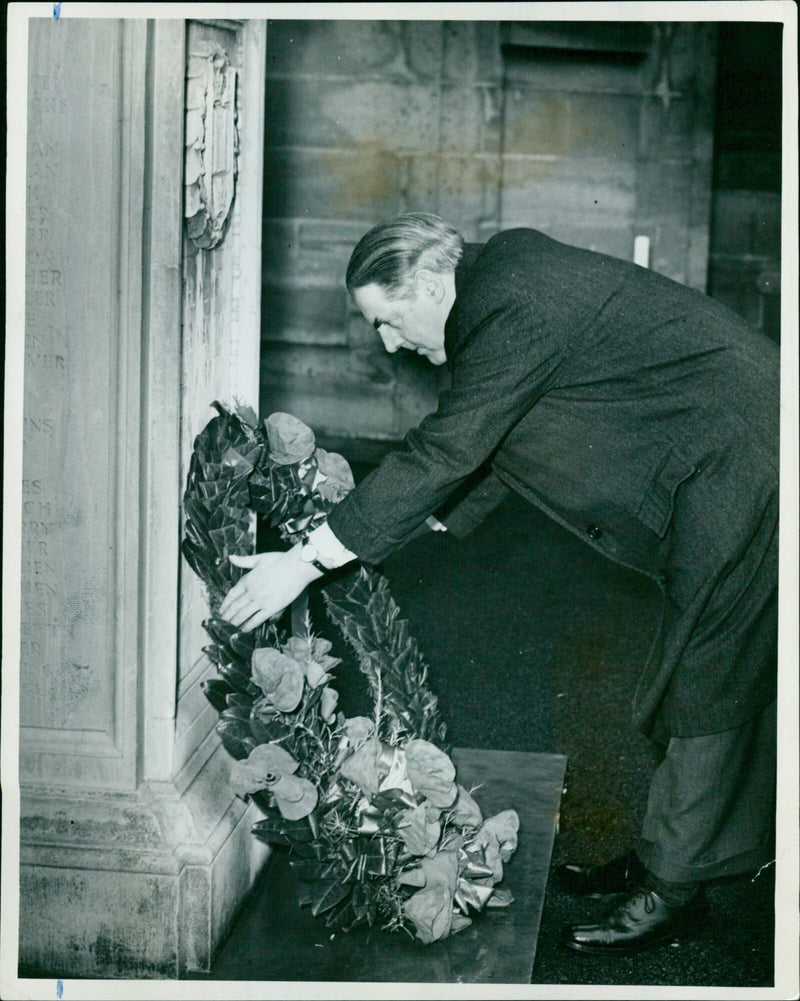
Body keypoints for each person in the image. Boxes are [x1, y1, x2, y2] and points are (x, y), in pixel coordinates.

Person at [219, 213, 779, 955]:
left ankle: (672, 890)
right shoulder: (500, 277)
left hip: (749, 458)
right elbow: (510, 425)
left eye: (387, 321)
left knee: (707, 673)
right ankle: (677, 856)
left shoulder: (513, 303)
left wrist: (306, 560)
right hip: (726, 446)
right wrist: (432, 520)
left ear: (424, 282)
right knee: (712, 671)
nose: (390, 343)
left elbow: (451, 445)